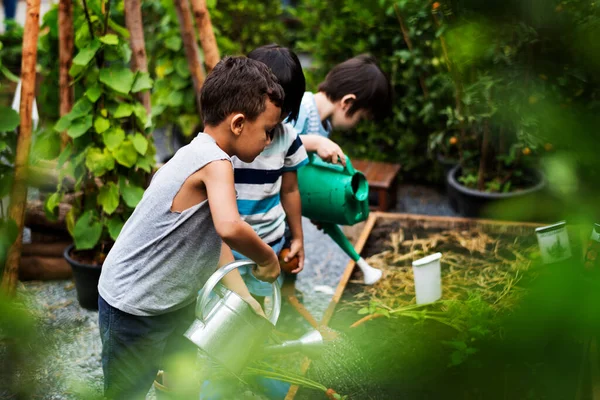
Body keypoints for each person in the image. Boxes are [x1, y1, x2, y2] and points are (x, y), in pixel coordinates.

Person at [97, 56, 284, 400]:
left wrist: (244, 297)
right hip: (133, 306)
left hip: (172, 303)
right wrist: (268, 257)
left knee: (183, 382)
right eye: (268, 131)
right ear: (239, 123)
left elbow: (215, 241)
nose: (269, 141)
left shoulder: (202, 154)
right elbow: (230, 227)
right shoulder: (214, 163)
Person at [231, 44, 308, 301]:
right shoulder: (229, 139)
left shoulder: (288, 140)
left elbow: (290, 189)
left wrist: (297, 237)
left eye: (284, 111)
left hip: (269, 241)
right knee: (226, 308)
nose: (276, 118)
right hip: (227, 246)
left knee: (263, 307)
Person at [292, 54, 393, 165]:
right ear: (347, 102)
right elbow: (275, 142)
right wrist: (316, 143)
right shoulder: (301, 107)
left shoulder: (325, 124)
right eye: (360, 118)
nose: (356, 126)